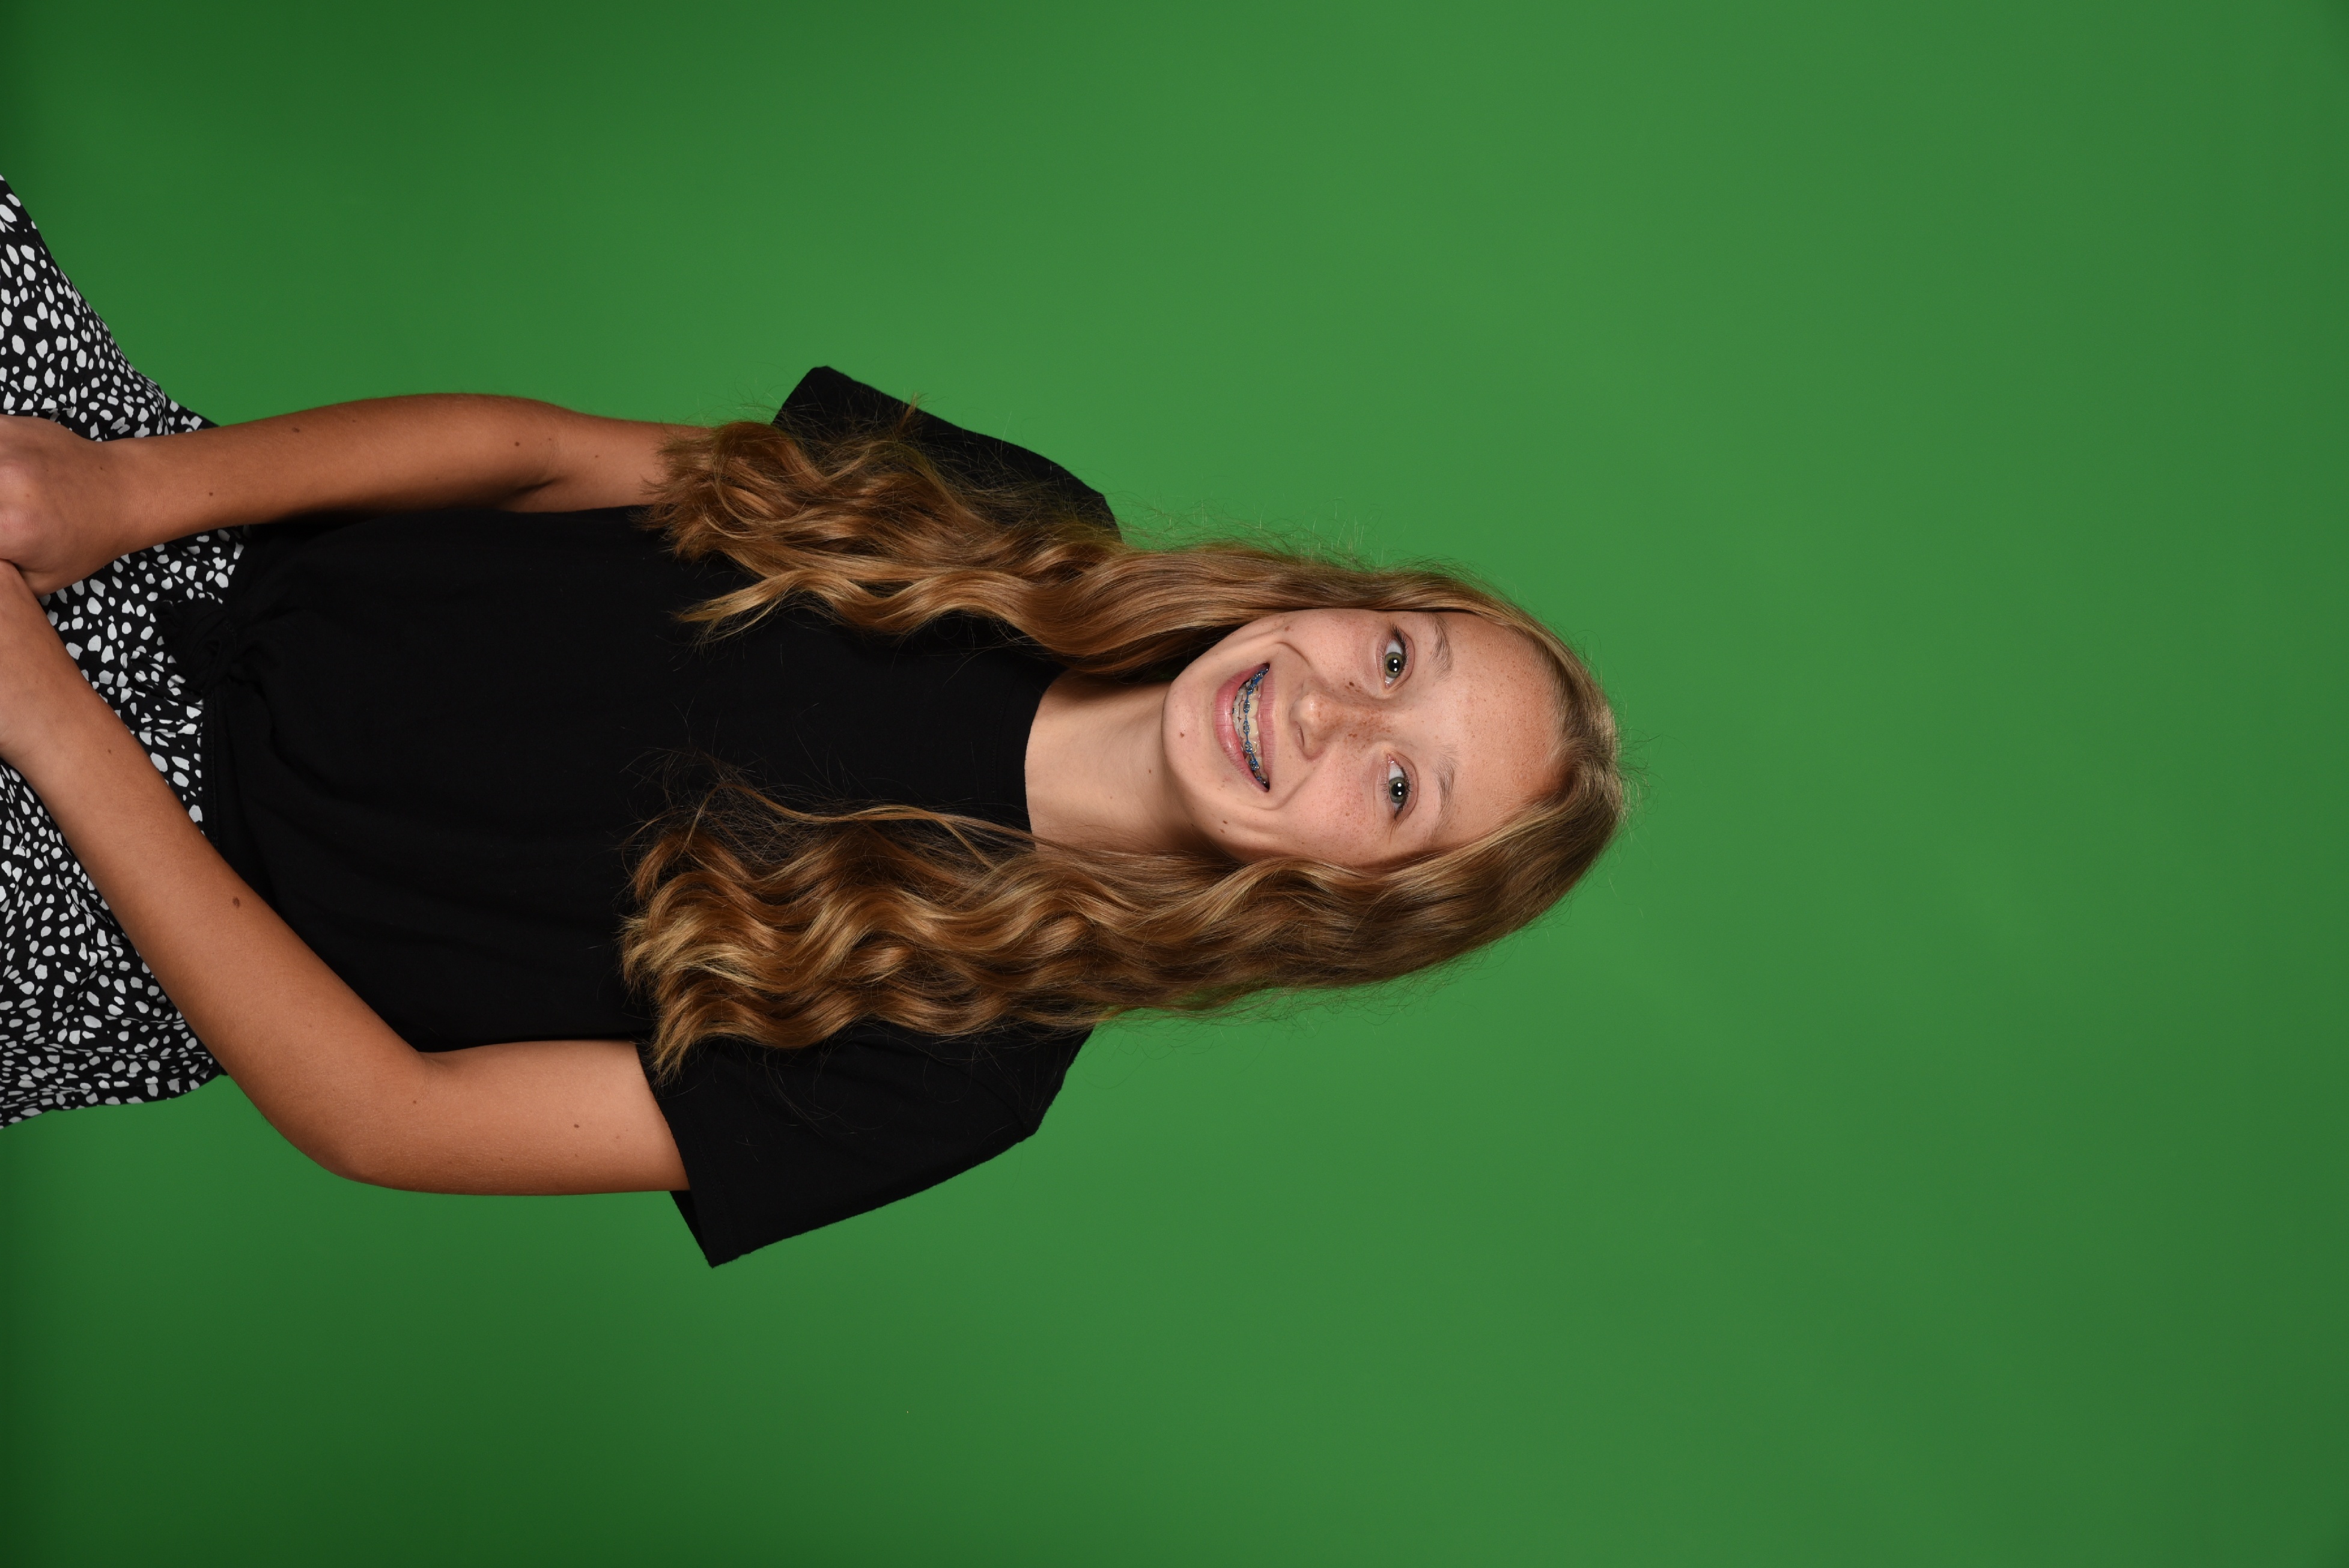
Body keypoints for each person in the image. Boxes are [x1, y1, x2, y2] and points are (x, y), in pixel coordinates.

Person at [0, 176, 1622, 1263]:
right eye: (1395, 656)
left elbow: (389, 1117)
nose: (1335, 712)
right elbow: (541, 455)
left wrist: (57, 728)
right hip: (179, 536)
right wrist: (127, 490)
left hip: (113, 883)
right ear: (1348, 599)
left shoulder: (961, 1070)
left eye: (1399, 788)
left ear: (1354, 903)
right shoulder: (1021, 522)